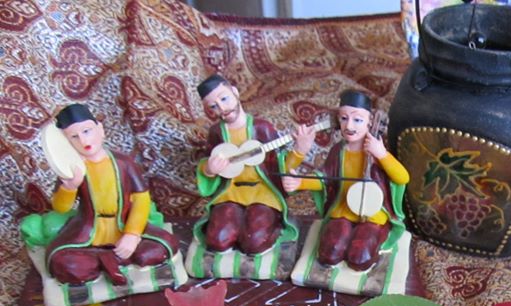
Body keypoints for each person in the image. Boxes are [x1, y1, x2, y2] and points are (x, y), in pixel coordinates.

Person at [35, 103, 176, 286]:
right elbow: (61, 208)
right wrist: (70, 187)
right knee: (60, 262)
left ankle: (106, 261)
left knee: (163, 247)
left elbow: (142, 200)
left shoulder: (124, 163)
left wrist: (132, 235)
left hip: (123, 225)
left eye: (87, 131)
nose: (83, 141)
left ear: (100, 130)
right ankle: (108, 260)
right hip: (89, 231)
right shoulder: (72, 170)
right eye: (74, 137)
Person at [282, 90, 409, 272]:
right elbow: (325, 178)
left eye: (357, 120)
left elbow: (402, 178)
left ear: (370, 121)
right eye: (344, 118)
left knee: (360, 256)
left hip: (373, 214)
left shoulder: (377, 152)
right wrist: (300, 182)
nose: (349, 125)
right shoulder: (338, 151)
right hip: (343, 210)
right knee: (330, 252)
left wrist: (381, 154)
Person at [194, 74, 314, 259]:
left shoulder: (262, 128)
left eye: (224, 99)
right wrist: (209, 169)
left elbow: (281, 164)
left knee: (254, 242)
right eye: (213, 106)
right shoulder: (216, 132)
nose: (222, 108)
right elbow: (206, 161)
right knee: (218, 240)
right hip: (231, 193)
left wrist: (300, 150)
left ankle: (275, 227)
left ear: (235, 92)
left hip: (263, 193)